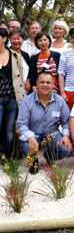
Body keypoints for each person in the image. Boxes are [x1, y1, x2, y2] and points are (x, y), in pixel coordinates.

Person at [17, 72, 72, 164]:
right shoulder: (27, 101)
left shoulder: (60, 101)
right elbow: (21, 124)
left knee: (67, 150)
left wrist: (66, 135)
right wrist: (30, 137)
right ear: (37, 84)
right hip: (33, 135)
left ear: (53, 85)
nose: (45, 85)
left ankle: (49, 155)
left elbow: (66, 121)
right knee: (26, 147)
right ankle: (34, 161)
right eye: (42, 82)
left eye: (48, 82)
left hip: (52, 135)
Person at [0, 28, 25, 157]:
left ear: (4, 39)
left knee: (9, 129)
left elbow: (20, 77)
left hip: (12, 98)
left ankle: (7, 156)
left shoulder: (15, 56)